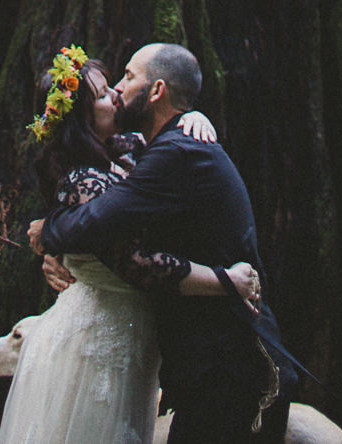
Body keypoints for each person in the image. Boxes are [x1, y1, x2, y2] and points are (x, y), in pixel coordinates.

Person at [29, 42, 296, 444]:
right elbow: (103, 226)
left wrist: (46, 231)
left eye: (127, 78)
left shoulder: (172, 152)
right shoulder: (151, 151)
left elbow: (103, 224)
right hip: (202, 365)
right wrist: (56, 247)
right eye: (105, 92)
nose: (117, 90)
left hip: (231, 365)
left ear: (156, 91)